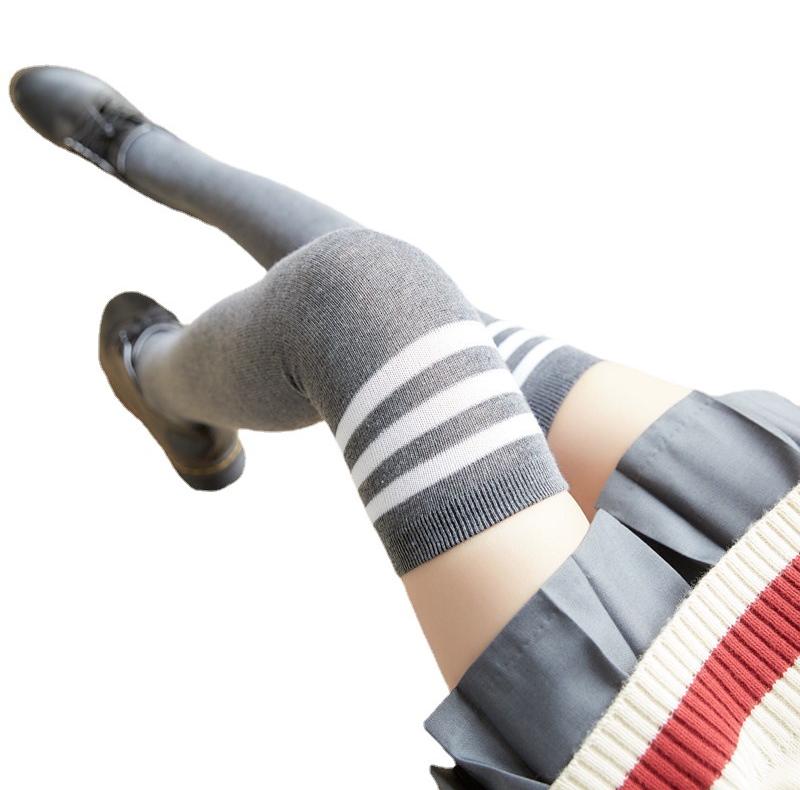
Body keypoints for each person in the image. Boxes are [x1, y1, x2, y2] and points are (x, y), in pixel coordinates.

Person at [9, 65, 800, 790]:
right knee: (466, 348)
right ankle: (147, 156)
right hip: (783, 547)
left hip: (696, 756)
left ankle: (159, 377)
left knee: (359, 300)